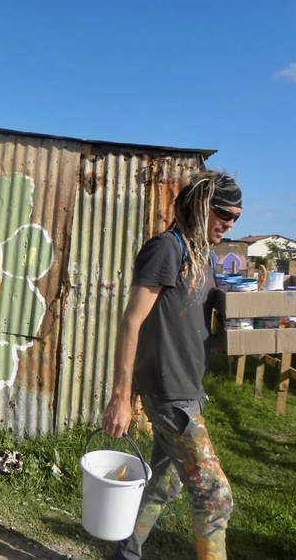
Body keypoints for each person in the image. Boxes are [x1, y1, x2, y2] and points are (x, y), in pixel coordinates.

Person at [102, 170, 242, 560]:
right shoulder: (167, 249)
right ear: (201, 206)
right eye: (224, 214)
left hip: (189, 390)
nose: (229, 224)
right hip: (169, 395)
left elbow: (195, 320)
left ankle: (124, 554)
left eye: (236, 218)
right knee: (216, 498)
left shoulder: (205, 257)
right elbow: (132, 320)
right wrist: (120, 397)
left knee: (164, 484)